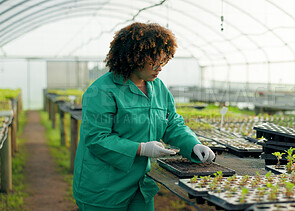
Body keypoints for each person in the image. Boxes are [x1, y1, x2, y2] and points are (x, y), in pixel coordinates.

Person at [72, 22, 215, 211]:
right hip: (104, 187)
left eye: (163, 61)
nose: (160, 68)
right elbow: (96, 139)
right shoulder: (102, 90)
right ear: (134, 58)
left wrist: (193, 144)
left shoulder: (158, 87)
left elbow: (171, 122)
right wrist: (141, 149)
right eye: (154, 62)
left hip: (140, 186)